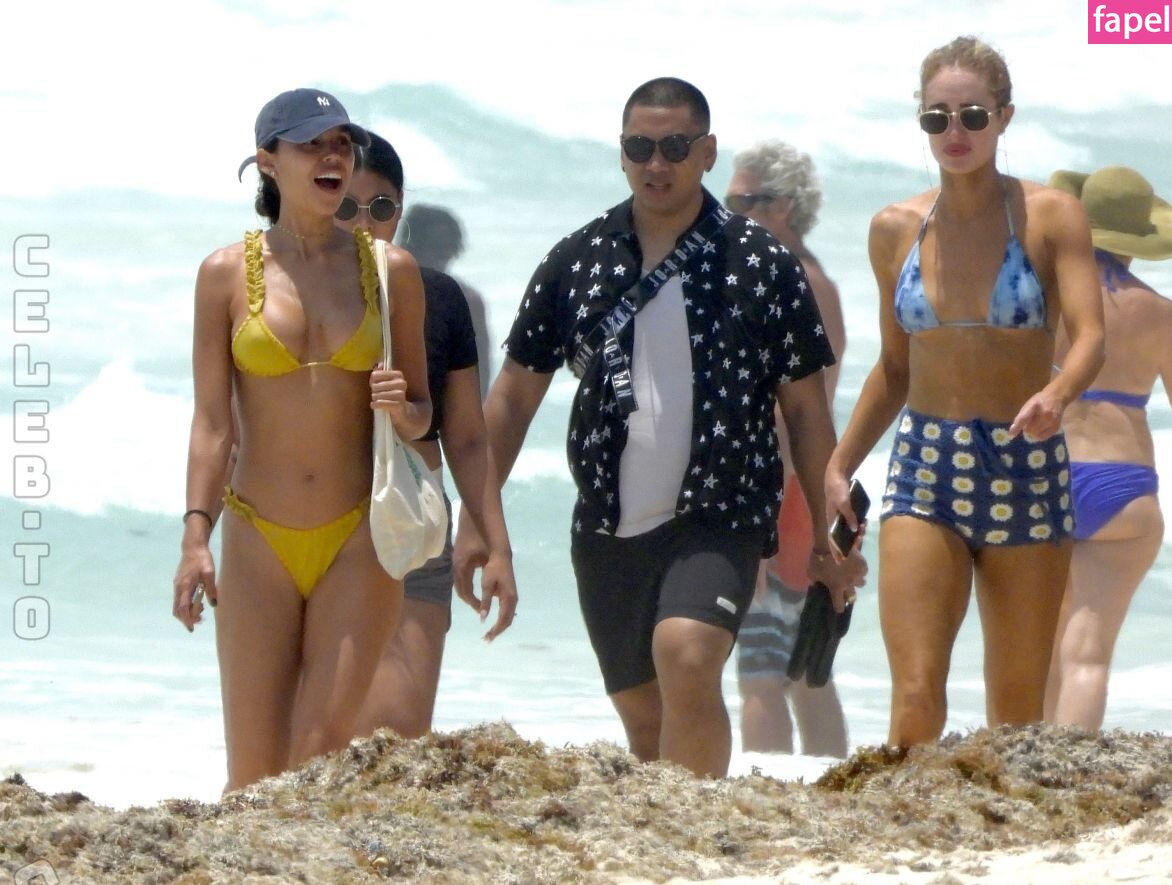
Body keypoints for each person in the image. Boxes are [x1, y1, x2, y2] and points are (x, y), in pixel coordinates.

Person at [455, 77, 866, 778]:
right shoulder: (576, 261)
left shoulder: (762, 264)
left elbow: (805, 410)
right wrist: (477, 522)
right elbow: (511, 402)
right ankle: (668, 826)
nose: (656, 163)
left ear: (707, 152)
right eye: (639, 147)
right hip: (606, 525)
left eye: (675, 147)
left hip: (722, 513)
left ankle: (700, 821)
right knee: (644, 717)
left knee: (688, 656)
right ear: (621, 154)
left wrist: (831, 531)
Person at [825, 37, 1105, 748]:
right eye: (937, 118)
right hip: (926, 463)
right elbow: (895, 367)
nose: (955, 132)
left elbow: (1090, 336)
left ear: (1004, 117)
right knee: (916, 696)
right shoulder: (894, 229)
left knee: (1015, 712)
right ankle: (900, 816)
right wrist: (840, 463)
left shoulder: (1051, 216)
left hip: (1025, 461)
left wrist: (1058, 394)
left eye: (973, 116)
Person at [172, 90, 431, 791]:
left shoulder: (391, 271)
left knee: (317, 756)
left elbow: (421, 412)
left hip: (359, 535)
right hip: (257, 535)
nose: (331, 156)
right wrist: (195, 538)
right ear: (268, 161)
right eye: (312, 143)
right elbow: (212, 422)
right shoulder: (224, 274)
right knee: (252, 777)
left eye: (340, 143)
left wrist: (404, 411)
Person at [1043, 166, 1172, 729]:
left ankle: (1028, 762)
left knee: (1044, 642)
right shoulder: (1161, 316)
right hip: (1121, 485)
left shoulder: (1044, 299)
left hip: (1043, 476)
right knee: (1088, 653)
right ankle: (1070, 766)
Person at [337, 133, 517, 737]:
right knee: (311, 741)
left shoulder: (447, 300)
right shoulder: (286, 294)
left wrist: (494, 541)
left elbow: (468, 432)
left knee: (395, 735)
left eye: (382, 208)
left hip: (411, 510)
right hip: (311, 522)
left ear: (401, 211)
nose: (364, 223)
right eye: (347, 206)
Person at [725, 140, 850, 759]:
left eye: (741, 203)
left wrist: (753, 504)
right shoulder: (801, 278)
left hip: (784, 490)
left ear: (783, 206)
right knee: (803, 667)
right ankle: (829, 791)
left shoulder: (798, 281)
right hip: (800, 486)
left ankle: (765, 790)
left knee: (763, 668)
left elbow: (793, 413)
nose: (729, 215)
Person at [401, 204, 492, 397]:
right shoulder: (384, 292)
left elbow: (479, 380)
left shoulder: (469, 301)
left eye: (445, 249)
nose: (438, 257)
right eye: (432, 248)